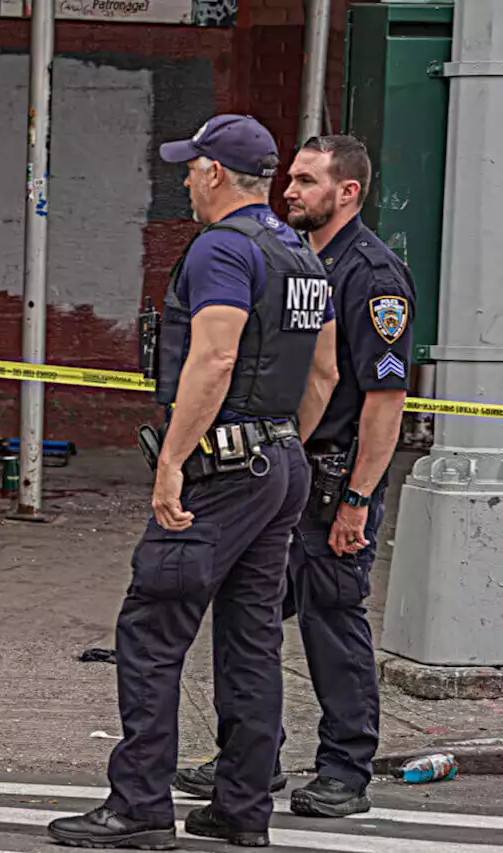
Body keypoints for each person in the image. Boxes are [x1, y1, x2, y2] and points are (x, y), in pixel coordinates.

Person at [47, 114, 339, 850]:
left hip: (222, 467)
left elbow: (212, 359)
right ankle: (243, 808)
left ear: (214, 173)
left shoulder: (221, 249)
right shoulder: (300, 254)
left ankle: (140, 805)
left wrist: (175, 459)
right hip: (280, 462)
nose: (183, 178)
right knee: (251, 641)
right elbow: (324, 373)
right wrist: (279, 450)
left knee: (150, 630)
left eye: (190, 166)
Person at [173, 134, 415, 819]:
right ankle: (252, 756)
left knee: (333, 620)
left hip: (336, 477)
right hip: (285, 472)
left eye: (307, 181)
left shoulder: (373, 275)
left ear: (348, 192)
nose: (290, 191)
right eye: (292, 179)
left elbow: (384, 400)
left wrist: (359, 500)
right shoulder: (297, 256)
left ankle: (345, 767)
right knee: (248, 617)